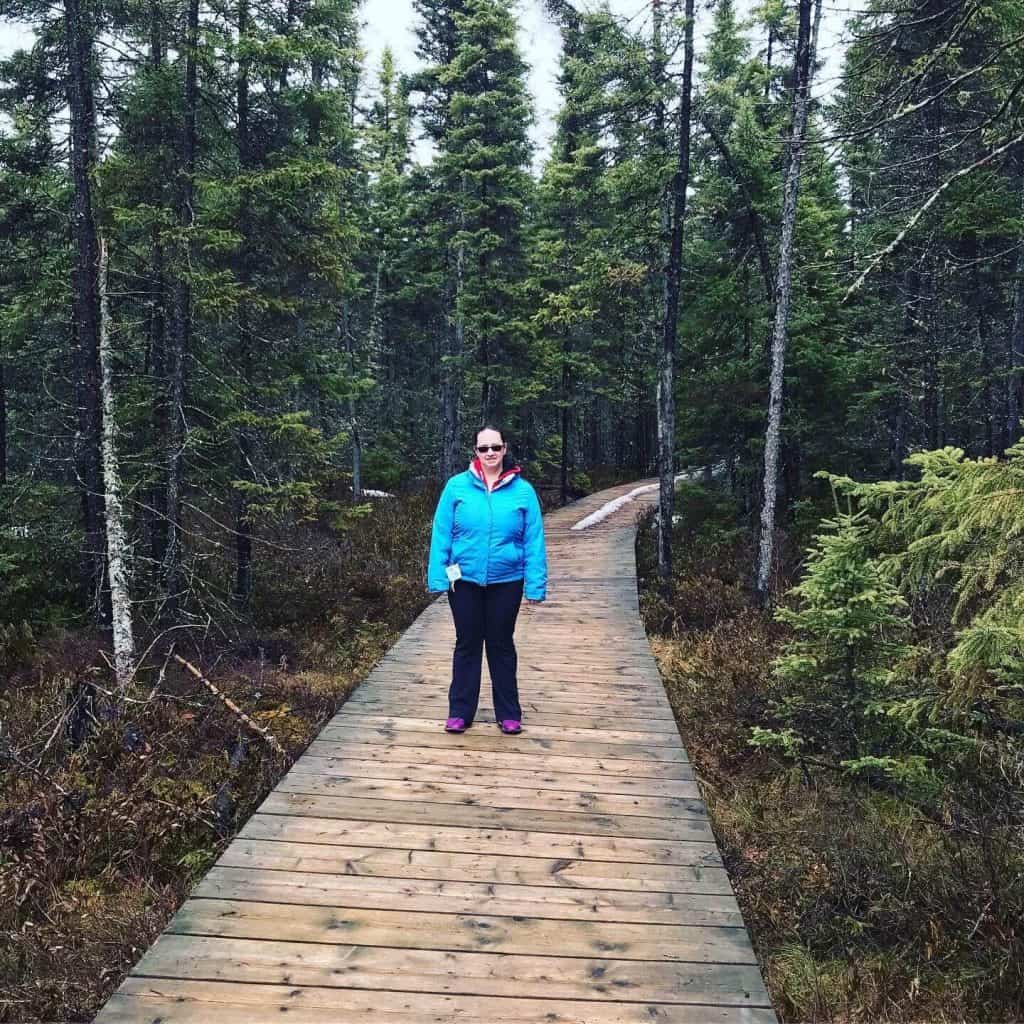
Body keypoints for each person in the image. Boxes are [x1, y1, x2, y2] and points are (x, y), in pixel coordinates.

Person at [427, 425, 547, 735]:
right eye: (484, 448)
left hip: (508, 581)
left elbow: (534, 540)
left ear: (505, 449)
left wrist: (536, 584)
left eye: (495, 447)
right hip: (463, 580)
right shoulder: (456, 487)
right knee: (467, 643)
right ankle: (459, 712)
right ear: (475, 452)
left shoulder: (523, 491)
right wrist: (438, 577)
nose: (490, 453)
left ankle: (509, 713)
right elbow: (441, 532)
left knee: (501, 643)